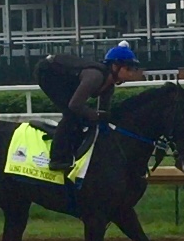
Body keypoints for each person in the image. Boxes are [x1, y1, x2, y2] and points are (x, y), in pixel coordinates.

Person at [33, 42, 142, 171]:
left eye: (133, 69)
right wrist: (94, 115)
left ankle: (73, 145)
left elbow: (103, 116)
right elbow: (75, 105)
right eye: (128, 68)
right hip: (47, 71)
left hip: (63, 74)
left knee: (83, 115)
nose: (131, 73)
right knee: (71, 113)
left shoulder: (109, 87)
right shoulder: (95, 77)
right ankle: (57, 158)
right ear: (115, 66)